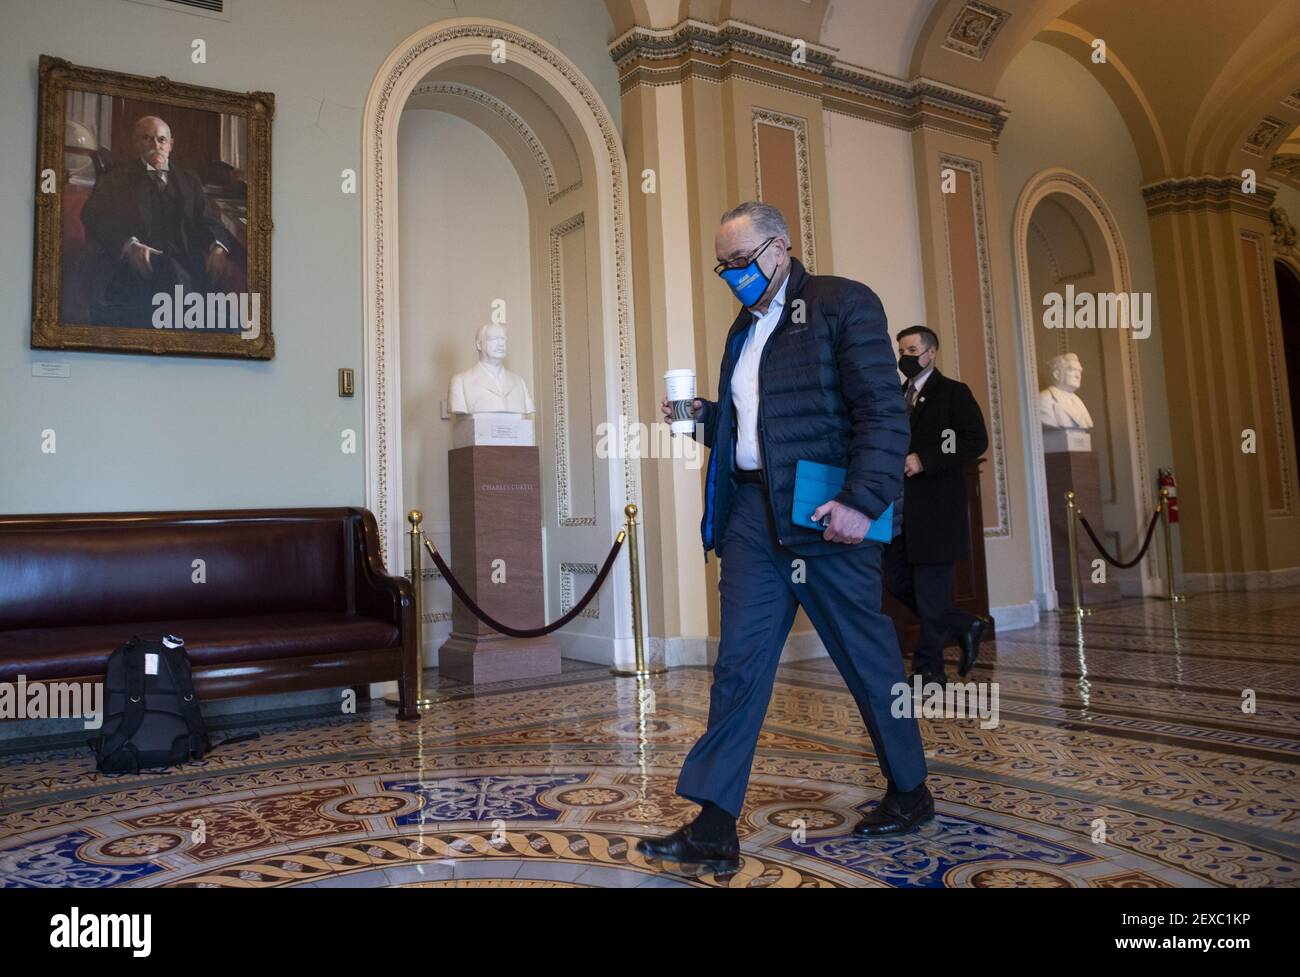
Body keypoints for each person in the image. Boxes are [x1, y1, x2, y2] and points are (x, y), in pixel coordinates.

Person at [637, 201, 931, 874]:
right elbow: (756, 427)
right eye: (725, 266)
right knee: (738, 662)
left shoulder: (842, 304)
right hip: (752, 514)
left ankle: (911, 790)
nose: (734, 275)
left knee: (867, 658)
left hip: (824, 510)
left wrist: (864, 500)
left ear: (781, 248)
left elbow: (881, 412)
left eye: (742, 261)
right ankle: (714, 825)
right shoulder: (744, 330)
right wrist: (704, 417)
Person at [883, 326, 990, 688]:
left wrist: (926, 459)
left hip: (936, 510)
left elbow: (975, 439)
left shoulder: (953, 393)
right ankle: (964, 624)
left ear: (932, 352)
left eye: (912, 349)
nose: (905, 356)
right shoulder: (897, 395)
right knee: (893, 578)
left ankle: (929, 671)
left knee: (930, 591)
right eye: (901, 350)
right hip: (899, 511)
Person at [81, 115, 235, 328]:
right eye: (147, 138)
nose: (156, 145)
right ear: (135, 143)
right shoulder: (116, 179)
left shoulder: (189, 180)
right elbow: (93, 215)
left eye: (161, 140)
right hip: (138, 272)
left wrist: (218, 247)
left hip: (187, 269)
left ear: (170, 145)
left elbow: (207, 221)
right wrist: (129, 245)